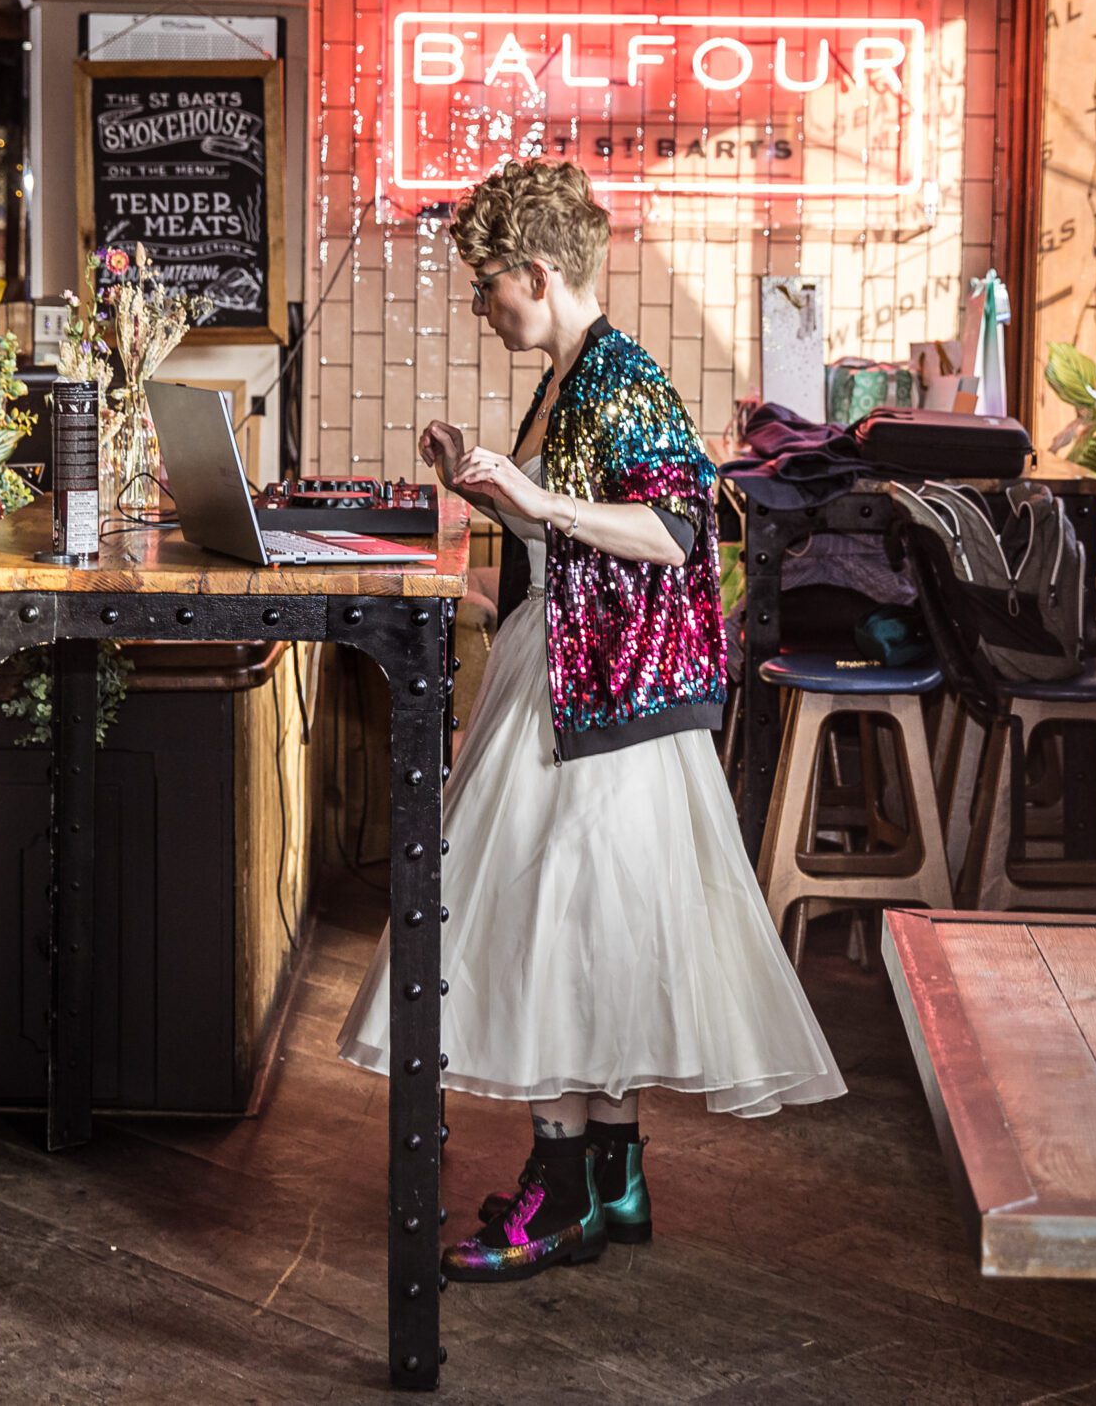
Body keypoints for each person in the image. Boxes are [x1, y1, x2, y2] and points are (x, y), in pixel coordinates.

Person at [338, 160, 843, 1285]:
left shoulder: (619, 377)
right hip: (586, 679)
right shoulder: (570, 377)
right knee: (594, 930)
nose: (480, 304)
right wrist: (483, 486)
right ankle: (612, 1176)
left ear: (537, 270)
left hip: (598, 694)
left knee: (553, 930)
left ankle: (560, 1192)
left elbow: (675, 533)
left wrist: (541, 500)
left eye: (485, 285)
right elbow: (555, 528)